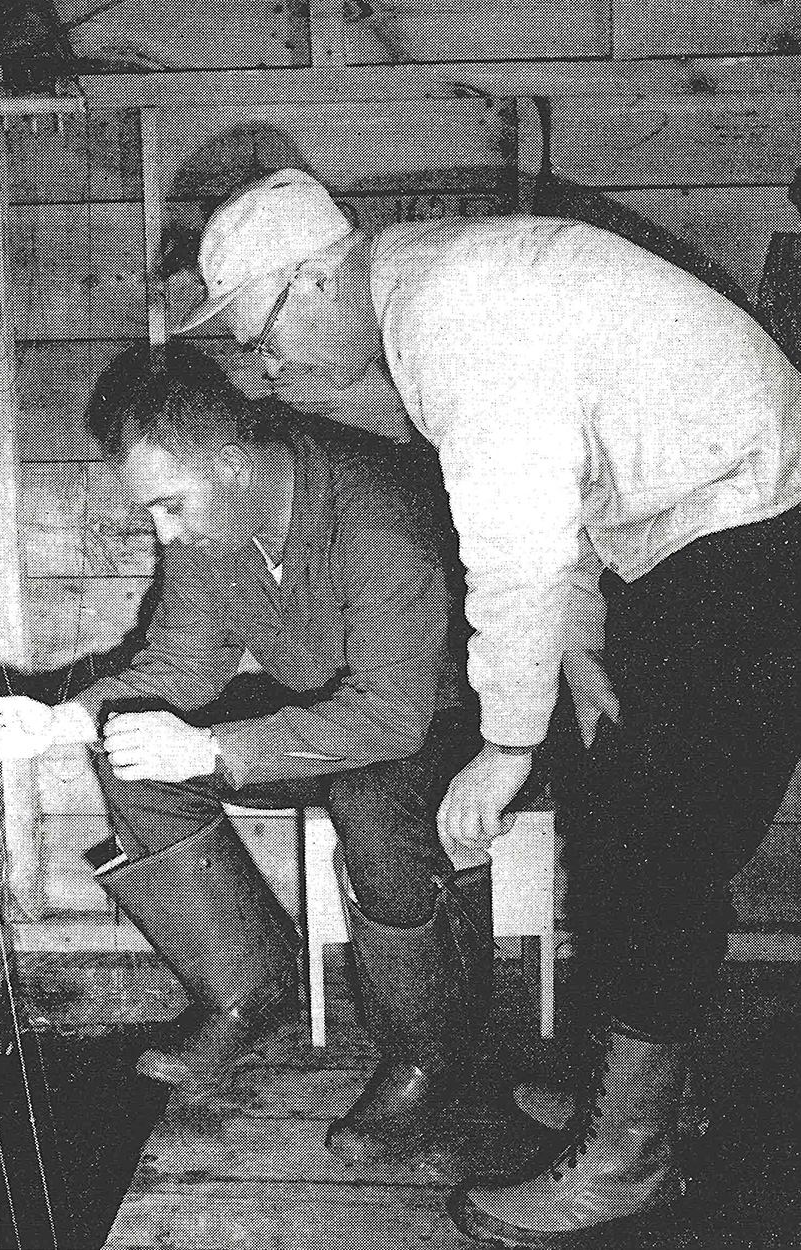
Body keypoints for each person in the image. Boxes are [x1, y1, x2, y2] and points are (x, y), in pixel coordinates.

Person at [172, 170, 801, 1245]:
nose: (269, 369)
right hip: (695, 529)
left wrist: (507, 745)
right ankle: (637, 1094)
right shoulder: (432, 288)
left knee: (659, 847)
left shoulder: (451, 318)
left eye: (263, 339)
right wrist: (580, 642)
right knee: (621, 815)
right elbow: (568, 494)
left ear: (314, 276)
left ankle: (627, 1160)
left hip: (754, 531)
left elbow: (515, 547)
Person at [0, 340, 491, 1168]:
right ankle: (250, 990)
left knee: (370, 798)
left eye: (171, 506)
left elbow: (393, 718)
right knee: (129, 741)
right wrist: (59, 721)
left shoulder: (377, 518)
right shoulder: (214, 528)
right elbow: (181, 667)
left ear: (236, 467)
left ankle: (431, 1056)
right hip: (328, 718)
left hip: (442, 721)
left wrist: (210, 746)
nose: (162, 531)